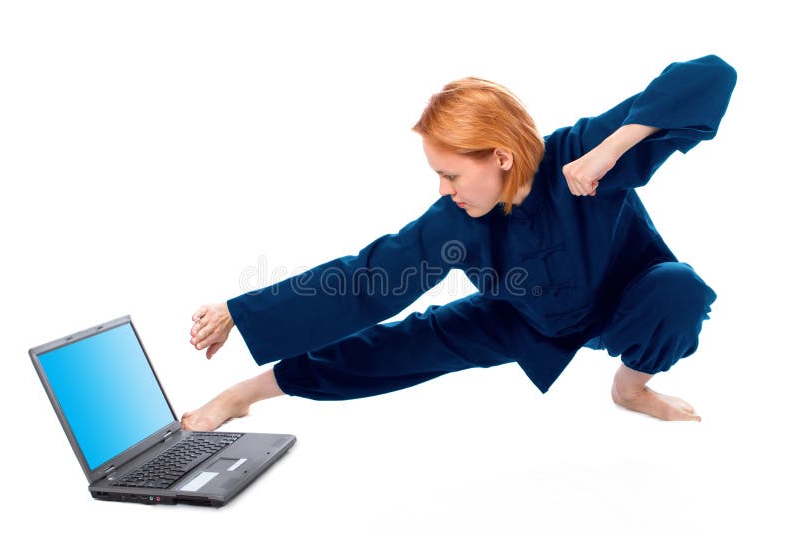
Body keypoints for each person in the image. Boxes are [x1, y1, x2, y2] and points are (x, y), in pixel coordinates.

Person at [181, 54, 737, 431]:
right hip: (522, 319)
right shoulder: (453, 221)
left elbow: (712, 75)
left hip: (626, 302)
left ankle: (631, 388)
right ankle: (245, 394)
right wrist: (239, 310)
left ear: (500, 155)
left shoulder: (579, 154)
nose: (443, 189)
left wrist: (613, 148)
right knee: (395, 347)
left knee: (680, 290)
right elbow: (362, 282)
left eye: (450, 174)